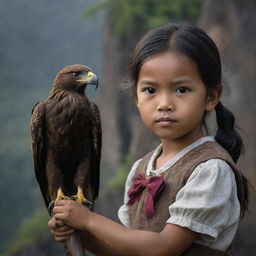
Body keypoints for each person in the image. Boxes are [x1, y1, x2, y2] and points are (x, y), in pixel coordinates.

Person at [48, 24, 249, 255]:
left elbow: (163, 248)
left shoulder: (211, 170)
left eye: (181, 90)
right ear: (136, 98)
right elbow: (130, 251)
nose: (164, 104)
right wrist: (81, 236)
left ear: (211, 97)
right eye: (150, 91)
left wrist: (89, 221)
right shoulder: (141, 169)